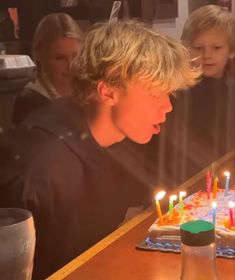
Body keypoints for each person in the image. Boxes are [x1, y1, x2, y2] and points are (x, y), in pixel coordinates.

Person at [0, 19, 200, 279]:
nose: (168, 106)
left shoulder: (119, 139)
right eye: (155, 93)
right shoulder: (46, 171)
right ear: (108, 92)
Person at [155, 4, 235, 186]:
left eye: (216, 48)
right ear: (186, 49)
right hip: (181, 183)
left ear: (231, 51)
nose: (207, 55)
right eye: (198, 48)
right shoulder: (174, 92)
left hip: (225, 183)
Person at [12, 12, 82, 125]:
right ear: (40, 56)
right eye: (60, 58)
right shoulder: (30, 103)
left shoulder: (88, 93)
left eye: (75, 56)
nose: (71, 65)